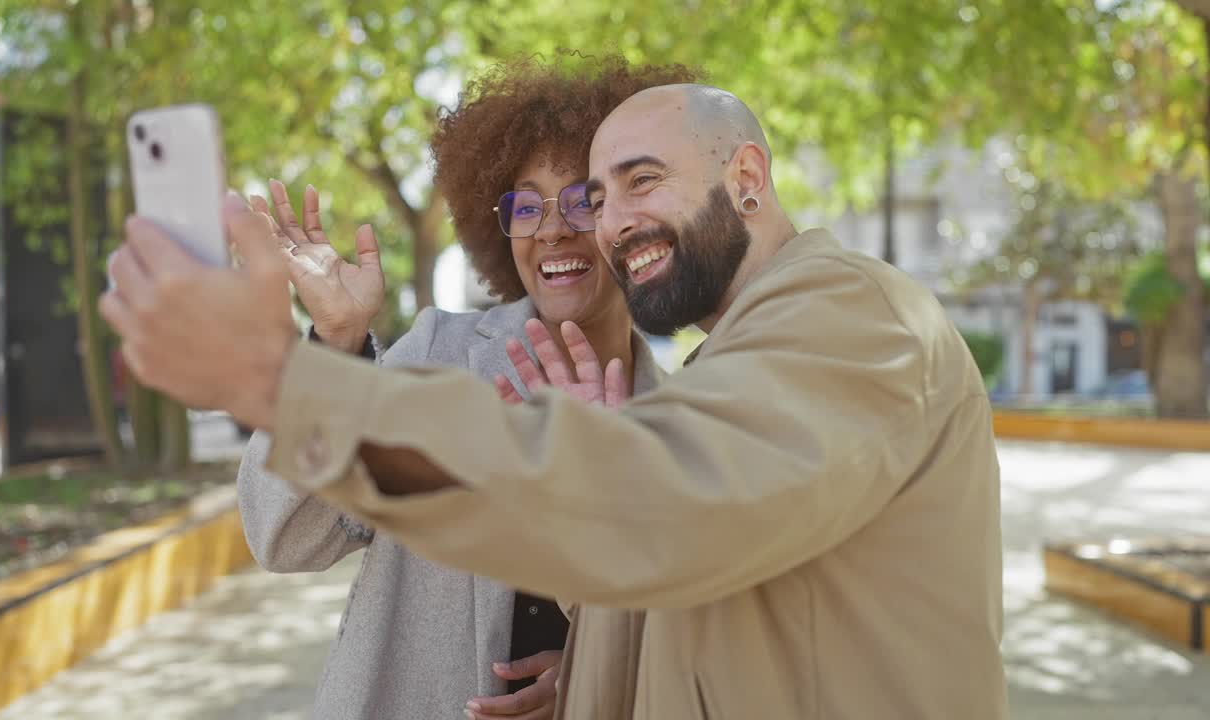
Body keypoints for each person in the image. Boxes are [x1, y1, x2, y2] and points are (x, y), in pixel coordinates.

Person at [100, 83, 1007, 719]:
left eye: (622, 186)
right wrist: (330, 353)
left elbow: (660, 518)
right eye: (544, 203)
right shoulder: (694, 374)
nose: (595, 222)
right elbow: (685, 562)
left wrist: (277, 383)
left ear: (748, 177)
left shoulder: (839, 317)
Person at [234, 56, 699, 720]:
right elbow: (287, 537)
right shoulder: (441, 358)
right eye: (526, 204)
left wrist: (596, 674)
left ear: (629, 219)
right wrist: (333, 344)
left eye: (580, 199)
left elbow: (688, 633)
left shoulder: (680, 419)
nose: (551, 228)